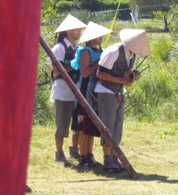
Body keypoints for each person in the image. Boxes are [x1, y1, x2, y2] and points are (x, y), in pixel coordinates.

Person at [95, 29, 151, 173]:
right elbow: (100, 73)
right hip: (106, 91)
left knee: (117, 124)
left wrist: (129, 80)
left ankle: (114, 157)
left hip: (119, 91)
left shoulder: (133, 55)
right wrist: (120, 80)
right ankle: (107, 160)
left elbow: (126, 74)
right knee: (107, 124)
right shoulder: (113, 51)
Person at [71, 22, 112, 167]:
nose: (101, 38)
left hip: (97, 92)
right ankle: (83, 156)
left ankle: (90, 154)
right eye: (98, 36)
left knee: (91, 124)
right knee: (83, 126)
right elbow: (85, 72)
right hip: (85, 91)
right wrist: (99, 63)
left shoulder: (102, 51)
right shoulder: (85, 51)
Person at [50, 14, 87, 162]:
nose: (80, 31)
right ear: (68, 30)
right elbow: (57, 70)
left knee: (77, 124)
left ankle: (74, 150)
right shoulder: (59, 48)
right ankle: (59, 153)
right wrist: (73, 65)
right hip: (63, 91)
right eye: (77, 29)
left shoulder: (77, 48)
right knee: (62, 124)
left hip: (76, 90)